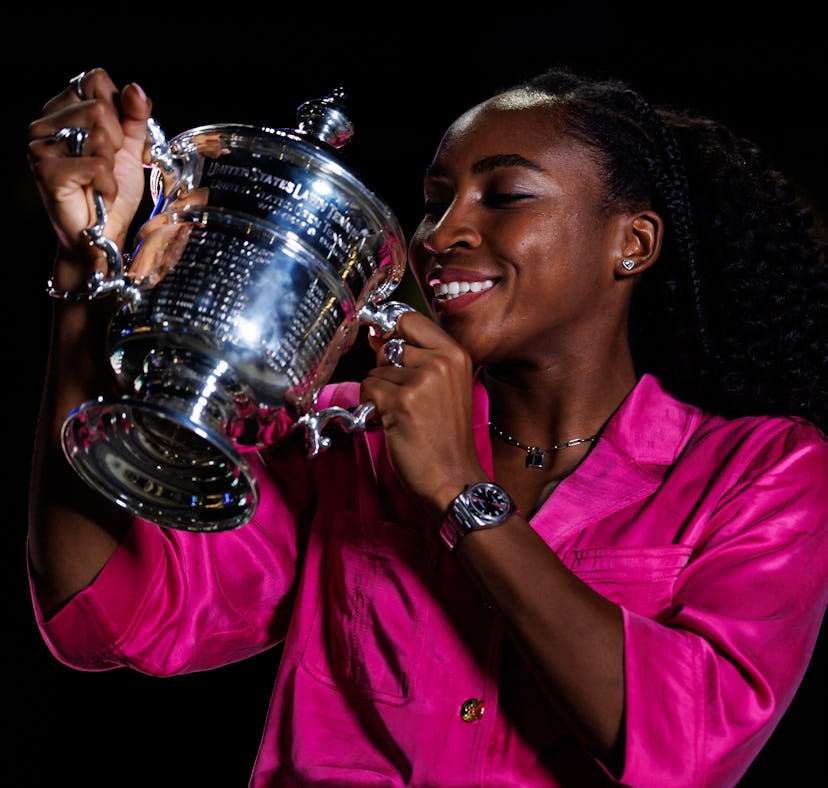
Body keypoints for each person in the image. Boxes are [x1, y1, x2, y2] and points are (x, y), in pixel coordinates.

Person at [25, 65, 828, 787]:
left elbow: (685, 753)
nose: (439, 237)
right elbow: (109, 614)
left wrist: (456, 487)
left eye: (503, 196)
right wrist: (82, 258)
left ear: (633, 243)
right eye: (436, 199)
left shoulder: (758, 472)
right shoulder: (344, 435)